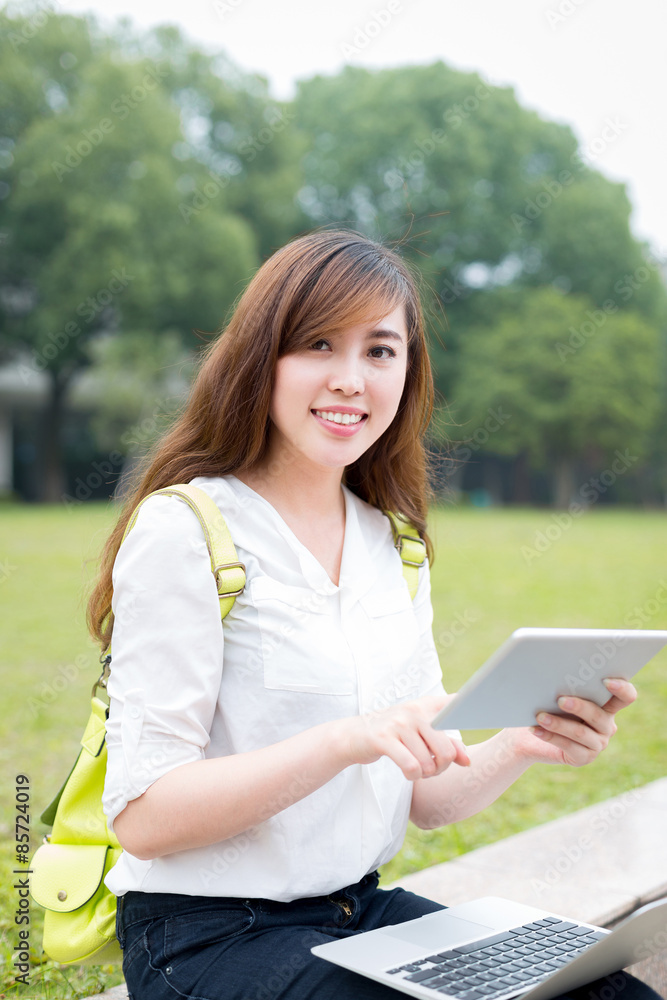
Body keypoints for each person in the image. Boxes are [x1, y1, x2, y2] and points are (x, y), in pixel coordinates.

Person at [88, 229, 659, 1000]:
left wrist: (523, 743)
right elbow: (144, 818)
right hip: (205, 936)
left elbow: (427, 799)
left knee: (607, 993)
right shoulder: (185, 529)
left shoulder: (393, 543)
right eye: (319, 344)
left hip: (359, 912)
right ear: (264, 357)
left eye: (380, 351)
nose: (351, 379)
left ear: (407, 373)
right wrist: (342, 741)